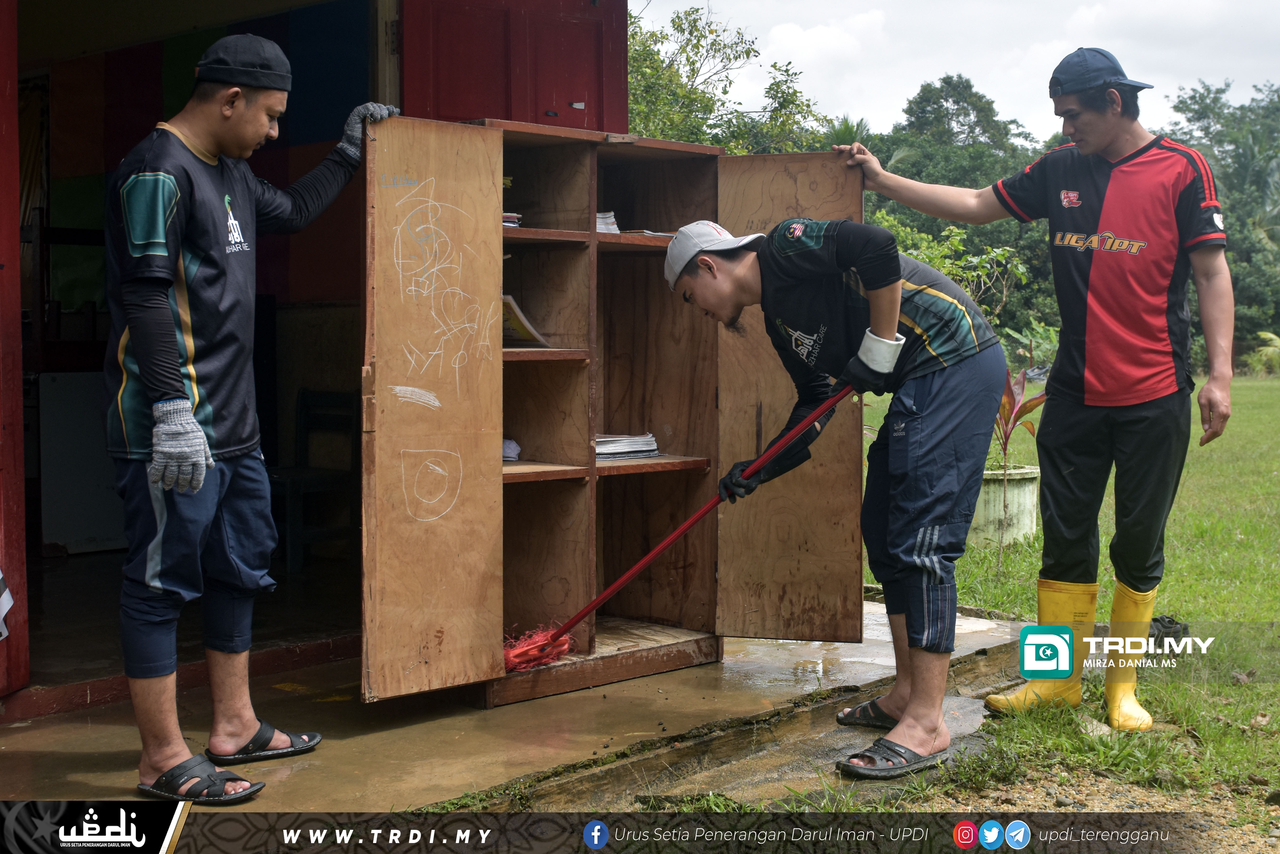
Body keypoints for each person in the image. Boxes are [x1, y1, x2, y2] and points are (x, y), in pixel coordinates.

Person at [843, 47, 1235, 732]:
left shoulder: (1182, 168)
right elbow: (972, 205)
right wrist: (882, 181)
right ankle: (1054, 682)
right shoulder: (1059, 169)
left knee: (1138, 545)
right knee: (1065, 543)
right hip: (1076, 394)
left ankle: (1123, 691)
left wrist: (1222, 376)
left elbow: (1211, 273)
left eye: (1075, 114)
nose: (1065, 127)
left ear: (1114, 102)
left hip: (1156, 395)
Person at [103, 34, 397, 804]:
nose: (272, 132)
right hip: (175, 427)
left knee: (238, 571)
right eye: (269, 116)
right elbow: (143, 293)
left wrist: (348, 151)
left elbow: (295, 210)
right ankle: (162, 760)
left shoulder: (231, 174)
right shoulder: (155, 172)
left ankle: (234, 726)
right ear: (228, 99)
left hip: (236, 427)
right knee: (161, 584)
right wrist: (171, 410)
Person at [665, 217, 1004, 779]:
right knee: (884, 530)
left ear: (707, 266)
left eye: (689, 296)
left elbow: (877, 247)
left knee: (920, 540)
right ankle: (904, 695)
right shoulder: (780, 324)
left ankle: (927, 722)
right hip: (921, 379)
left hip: (955, 358)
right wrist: (760, 467)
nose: (695, 309)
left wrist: (878, 343)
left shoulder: (786, 248)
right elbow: (815, 406)